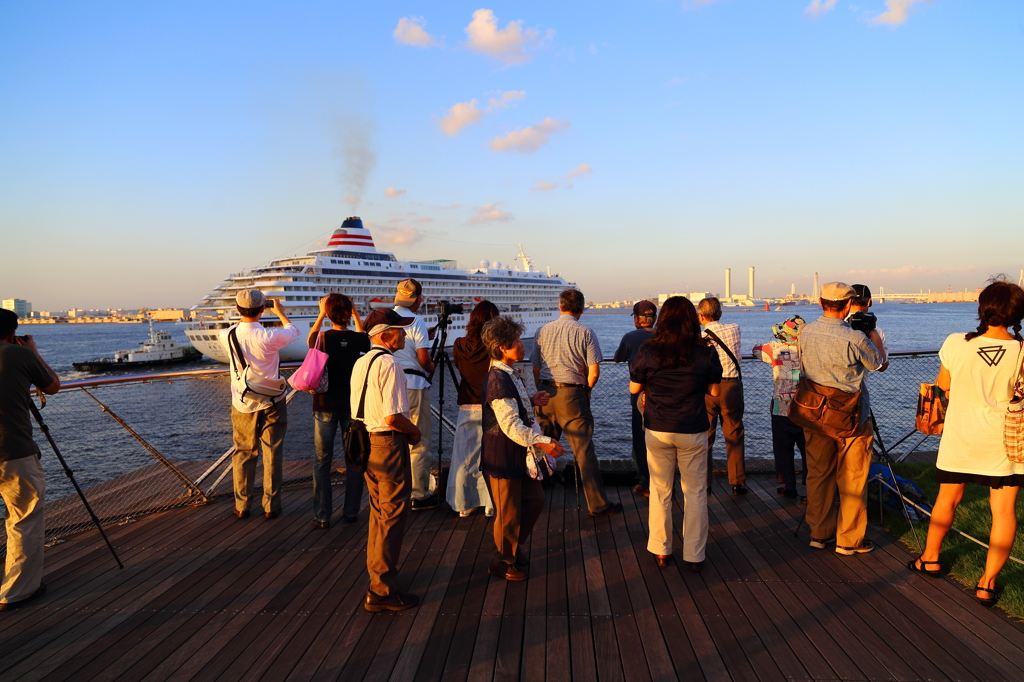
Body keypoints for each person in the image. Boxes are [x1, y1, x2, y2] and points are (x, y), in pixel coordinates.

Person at [908, 280, 1024, 606]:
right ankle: (986, 584)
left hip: (961, 436)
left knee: (947, 500)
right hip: (1005, 441)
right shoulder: (1021, 350)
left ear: (983, 307)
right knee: (1003, 512)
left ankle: (930, 558)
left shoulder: (957, 343)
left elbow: (942, 385)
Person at [629, 297, 722, 571]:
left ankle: (661, 550)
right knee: (694, 492)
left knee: (660, 491)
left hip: (658, 428)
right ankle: (694, 555)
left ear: (663, 318)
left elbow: (635, 389)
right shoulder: (705, 351)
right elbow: (714, 391)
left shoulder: (649, 349)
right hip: (692, 428)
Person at [798, 282, 884, 555]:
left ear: (820, 303)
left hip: (814, 411)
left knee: (818, 474)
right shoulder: (856, 337)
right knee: (853, 477)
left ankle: (819, 533)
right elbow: (878, 363)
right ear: (848, 305)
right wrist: (871, 335)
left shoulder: (805, 332)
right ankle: (849, 539)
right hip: (850, 415)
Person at [481, 316, 566, 580]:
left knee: (534, 500)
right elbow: (510, 425)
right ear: (503, 348)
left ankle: (511, 549)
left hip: (515, 454)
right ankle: (503, 560)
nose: (522, 344)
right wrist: (545, 441)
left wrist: (529, 400)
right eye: (517, 341)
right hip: (502, 456)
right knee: (508, 512)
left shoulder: (507, 374)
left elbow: (507, 409)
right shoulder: (499, 379)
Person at [351, 308, 423, 612]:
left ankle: (376, 579)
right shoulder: (390, 364)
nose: (405, 335)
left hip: (365, 443)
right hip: (388, 444)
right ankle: (382, 590)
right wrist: (415, 432)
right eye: (401, 330)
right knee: (393, 515)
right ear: (385, 334)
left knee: (379, 513)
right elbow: (394, 417)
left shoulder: (361, 361)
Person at [532, 288, 622, 517]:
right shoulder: (586, 332)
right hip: (572, 396)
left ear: (560, 306)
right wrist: (587, 391)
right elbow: (593, 373)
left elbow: (535, 368)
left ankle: (531, 495)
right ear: (581, 309)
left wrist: (540, 390)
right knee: (584, 452)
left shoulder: (542, 330)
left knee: (539, 446)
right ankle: (598, 504)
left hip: (544, 393)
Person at [220, 289, 299, 520]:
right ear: (263, 309)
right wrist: (281, 313)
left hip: (242, 402)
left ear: (237, 309)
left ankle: (242, 505)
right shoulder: (270, 336)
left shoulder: (226, 335)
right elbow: (293, 331)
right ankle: (271, 506)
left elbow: (238, 327)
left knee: (244, 452)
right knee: (272, 452)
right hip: (272, 401)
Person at [0, 309, 60, 611]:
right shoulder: (17, 355)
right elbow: (52, 385)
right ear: (13, 332)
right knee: (23, 518)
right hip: (12, 450)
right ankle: (18, 591)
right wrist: (33, 352)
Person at [307, 293, 369, 528]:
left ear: (330, 313)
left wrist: (322, 312)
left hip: (324, 404)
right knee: (353, 458)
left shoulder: (321, 338)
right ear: (348, 313)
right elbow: (364, 336)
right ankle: (351, 511)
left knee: (322, 461)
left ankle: (322, 516)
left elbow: (309, 339)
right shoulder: (357, 340)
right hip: (352, 406)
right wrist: (355, 312)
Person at [448, 300, 499, 518]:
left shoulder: (458, 344)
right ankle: (489, 503)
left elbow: (460, 367)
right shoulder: (493, 345)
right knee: (491, 456)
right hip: (490, 404)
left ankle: (463, 503)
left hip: (467, 404)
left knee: (463, 456)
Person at [392, 278, 437, 510]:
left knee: (395, 439)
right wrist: (432, 367)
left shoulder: (387, 317)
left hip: (390, 384)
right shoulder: (416, 320)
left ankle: (396, 491)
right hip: (413, 384)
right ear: (418, 299)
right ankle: (419, 495)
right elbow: (423, 360)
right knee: (419, 438)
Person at [752, 316, 807, 499]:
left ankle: (789, 486)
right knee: (808, 448)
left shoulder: (774, 349)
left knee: (784, 448)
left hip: (780, 405)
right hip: (805, 405)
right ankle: (812, 486)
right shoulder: (808, 349)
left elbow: (756, 350)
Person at [697, 297, 747, 495]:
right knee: (734, 433)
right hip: (732, 386)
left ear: (701, 316)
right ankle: (737, 482)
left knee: (705, 435)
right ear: (720, 313)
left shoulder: (700, 337)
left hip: (709, 389)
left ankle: (705, 482)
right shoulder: (734, 328)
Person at [614, 300, 658, 497]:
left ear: (638, 320)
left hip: (640, 397)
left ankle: (645, 482)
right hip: (664, 397)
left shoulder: (630, 338)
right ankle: (663, 482)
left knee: (640, 441)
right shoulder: (664, 337)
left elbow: (617, 358)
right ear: (654, 318)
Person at [848, 284, 889, 372]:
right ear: (869, 302)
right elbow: (882, 365)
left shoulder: (837, 324)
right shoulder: (876, 331)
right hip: (859, 384)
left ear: (848, 301)